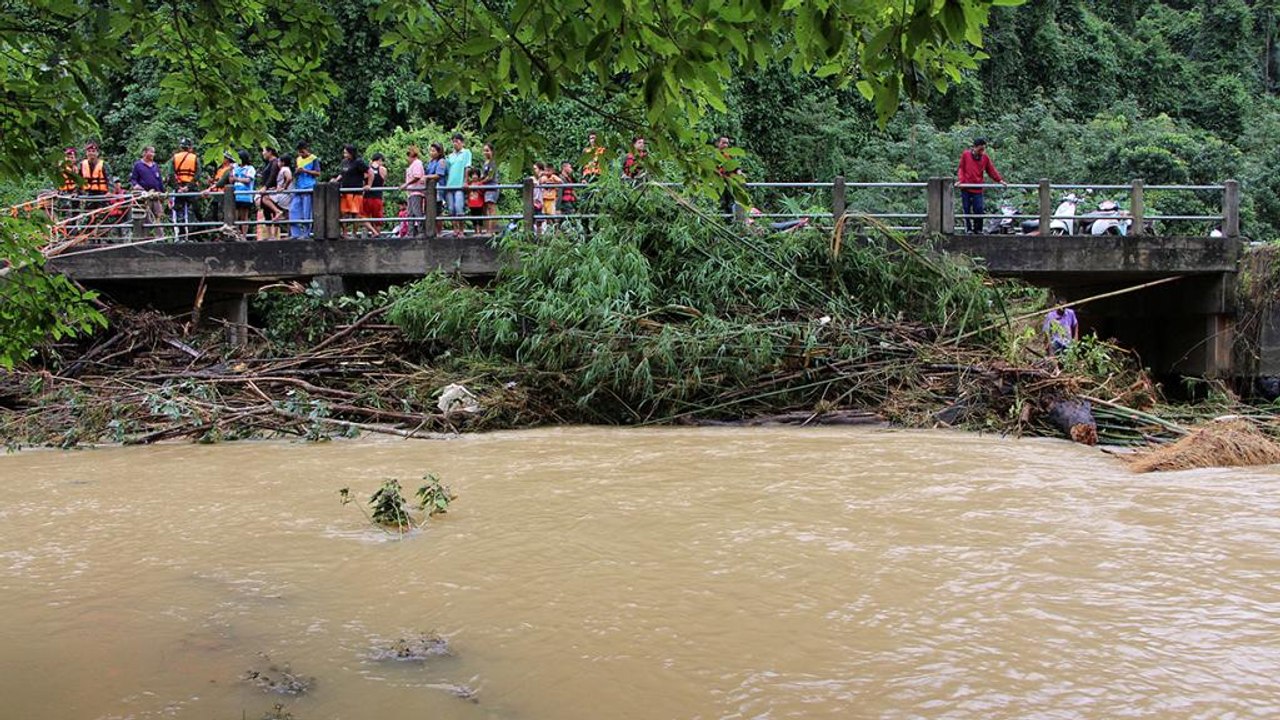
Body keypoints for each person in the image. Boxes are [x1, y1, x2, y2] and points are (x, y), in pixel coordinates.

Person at [956, 137, 1005, 234]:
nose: (982, 152)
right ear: (974, 147)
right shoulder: (966, 155)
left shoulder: (985, 158)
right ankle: (969, 230)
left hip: (978, 188)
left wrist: (1000, 180)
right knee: (967, 210)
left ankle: (978, 229)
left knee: (979, 209)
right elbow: (961, 168)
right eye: (980, 149)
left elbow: (991, 170)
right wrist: (961, 181)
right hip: (966, 187)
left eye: (983, 149)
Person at [331, 144, 370, 238]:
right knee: (343, 213)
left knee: (355, 214)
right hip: (345, 191)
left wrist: (368, 184)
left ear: (351, 153)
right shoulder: (344, 162)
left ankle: (354, 233)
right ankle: (345, 232)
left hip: (355, 192)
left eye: (345, 152)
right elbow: (342, 174)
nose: (344, 154)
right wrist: (336, 180)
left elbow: (369, 172)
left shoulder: (358, 162)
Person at [129, 146, 167, 239]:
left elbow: (159, 180)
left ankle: (160, 238)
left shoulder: (155, 165)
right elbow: (133, 179)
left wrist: (163, 193)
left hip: (155, 195)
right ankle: (144, 238)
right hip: (144, 196)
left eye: (154, 152)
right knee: (145, 217)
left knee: (158, 215)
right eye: (151, 152)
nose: (153, 154)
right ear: (144, 153)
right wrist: (136, 186)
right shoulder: (138, 165)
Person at [169, 138, 200, 241]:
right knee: (193, 211)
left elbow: (171, 174)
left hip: (180, 187)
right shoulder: (195, 158)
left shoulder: (175, 158)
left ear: (181, 147)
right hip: (191, 188)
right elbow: (198, 174)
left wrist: (178, 188)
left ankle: (181, 236)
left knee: (179, 211)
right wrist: (189, 187)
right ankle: (192, 236)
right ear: (190, 147)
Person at [291, 141, 321, 238]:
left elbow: (318, 173)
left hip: (308, 187)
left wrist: (305, 170)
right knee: (293, 210)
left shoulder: (314, 159)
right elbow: (294, 174)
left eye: (302, 152)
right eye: (299, 152)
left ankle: (306, 234)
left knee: (306, 212)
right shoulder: (298, 159)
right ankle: (295, 233)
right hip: (298, 187)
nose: (301, 154)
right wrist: (297, 171)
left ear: (306, 150)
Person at [261, 154, 293, 240]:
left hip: (284, 195)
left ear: (282, 162)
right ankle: (290, 234)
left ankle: (277, 211)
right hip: (286, 195)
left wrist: (284, 187)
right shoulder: (285, 169)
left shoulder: (284, 169)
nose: (277, 163)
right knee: (288, 215)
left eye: (279, 161)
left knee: (265, 198)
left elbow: (289, 178)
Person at [444, 133, 472, 234]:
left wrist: (465, 181)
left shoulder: (466, 153)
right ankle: (455, 229)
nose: (455, 143)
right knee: (451, 209)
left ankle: (461, 230)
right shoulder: (450, 156)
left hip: (459, 185)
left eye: (457, 141)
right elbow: (446, 171)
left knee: (459, 207)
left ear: (462, 142)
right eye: (453, 141)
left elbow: (467, 167)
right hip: (449, 185)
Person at [78, 142, 110, 223]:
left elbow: (110, 179)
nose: (91, 153)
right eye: (89, 151)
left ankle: (103, 233)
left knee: (103, 216)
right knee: (87, 217)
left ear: (97, 153)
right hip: (88, 194)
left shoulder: (104, 164)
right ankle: (87, 233)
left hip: (102, 194)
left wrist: (110, 192)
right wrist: (77, 192)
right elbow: (78, 179)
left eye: (93, 151)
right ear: (86, 153)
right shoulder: (82, 165)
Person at [400, 144, 426, 237]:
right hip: (411, 192)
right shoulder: (412, 165)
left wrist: (406, 184)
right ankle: (410, 233)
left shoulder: (417, 163)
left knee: (416, 212)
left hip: (416, 191)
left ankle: (421, 231)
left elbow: (417, 176)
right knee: (410, 213)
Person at [715, 135, 743, 220]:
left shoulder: (729, 155)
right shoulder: (713, 154)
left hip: (728, 183)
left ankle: (731, 222)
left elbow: (736, 167)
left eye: (727, 143)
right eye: (723, 143)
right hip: (717, 183)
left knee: (731, 203)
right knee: (720, 203)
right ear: (717, 143)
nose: (726, 145)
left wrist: (739, 172)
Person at [231, 149, 256, 237]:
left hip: (245, 196)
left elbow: (248, 180)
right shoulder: (235, 168)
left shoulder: (250, 168)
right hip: (236, 195)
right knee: (235, 217)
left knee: (244, 217)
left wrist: (237, 179)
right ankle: (237, 234)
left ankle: (244, 235)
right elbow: (231, 179)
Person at [425, 142, 447, 235]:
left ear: (439, 152)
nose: (431, 152)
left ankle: (439, 231)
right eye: (430, 150)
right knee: (431, 210)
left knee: (438, 210)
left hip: (438, 188)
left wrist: (426, 177)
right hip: (430, 189)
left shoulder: (441, 161)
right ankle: (433, 230)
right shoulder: (431, 162)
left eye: (433, 151)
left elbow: (438, 175)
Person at [363, 152, 388, 236]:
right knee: (377, 220)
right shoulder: (383, 169)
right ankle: (376, 235)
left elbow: (363, 181)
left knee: (364, 217)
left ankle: (372, 232)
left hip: (367, 197)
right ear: (380, 160)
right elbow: (383, 182)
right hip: (378, 197)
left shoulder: (367, 169)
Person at [480, 143, 499, 233]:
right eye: (484, 151)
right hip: (486, 188)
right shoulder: (485, 163)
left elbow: (490, 177)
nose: (485, 152)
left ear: (492, 151)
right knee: (486, 208)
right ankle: (487, 229)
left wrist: (480, 183)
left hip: (492, 187)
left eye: (487, 150)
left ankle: (491, 231)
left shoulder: (493, 162)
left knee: (491, 207)